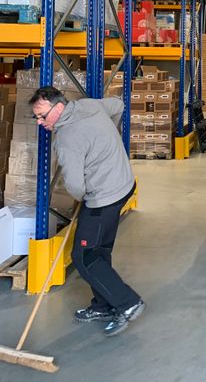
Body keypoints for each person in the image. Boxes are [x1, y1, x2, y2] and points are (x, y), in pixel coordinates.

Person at [29, 86, 145, 337]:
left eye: (42, 116)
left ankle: (128, 303)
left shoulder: (66, 138)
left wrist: (84, 197)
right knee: (99, 251)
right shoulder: (88, 106)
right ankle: (103, 305)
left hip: (103, 198)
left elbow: (75, 186)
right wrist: (107, 143)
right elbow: (119, 105)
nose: (40, 122)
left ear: (58, 107)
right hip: (124, 184)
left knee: (84, 257)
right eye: (36, 117)